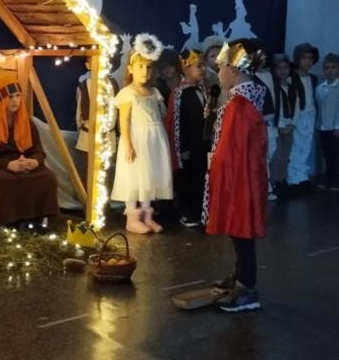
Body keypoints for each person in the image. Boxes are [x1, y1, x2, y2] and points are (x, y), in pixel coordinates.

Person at [203, 39, 268, 313]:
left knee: (242, 229)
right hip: (243, 174)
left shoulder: (240, 105)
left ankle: (247, 287)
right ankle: (241, 274)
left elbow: (233, 149)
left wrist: (219, 176)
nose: (218, 73)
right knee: (238, 228)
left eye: (220, 67)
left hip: (240, 177)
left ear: (233, 69)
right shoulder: (243, 100)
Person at [112, 33, 173, 234]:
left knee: (150, 177)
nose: (145, 71)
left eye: (149, 67)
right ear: (130, 68)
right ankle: (132, 218)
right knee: (134, 177)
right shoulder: (128, 93)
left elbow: (161, 115)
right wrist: (128, 145)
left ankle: (147, 216)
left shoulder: (155, 93)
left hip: (154, 141)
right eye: (140, 67)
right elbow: (124, 121)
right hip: (137, 141)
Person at [0, 75, 59, 226]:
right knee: (4, 182)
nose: (15, 100)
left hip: (23, 163)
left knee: (48, 177)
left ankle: (38, 218)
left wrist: (34, 162)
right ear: (0, 99)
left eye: (18, 96)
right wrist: (8, 165)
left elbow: (38, 150)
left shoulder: (26, 121)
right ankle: (11, 222)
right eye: (10, 96)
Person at [172, 49, 208, 227]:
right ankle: (188, 213)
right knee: (188, 179)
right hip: (188, 146)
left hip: (202, 143)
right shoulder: (180, 92)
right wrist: (182, 148)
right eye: (199, 66)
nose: (203, 69)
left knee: (201, 177)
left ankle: (201, 211)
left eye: (203, 66)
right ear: (186, 69)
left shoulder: (202, 89)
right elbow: (178, 122)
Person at [75, 59, 120, 186]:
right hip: (88, 136)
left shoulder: (113, 84)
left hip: (109, 136)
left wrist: (119, 133)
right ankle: (86, 197)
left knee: (106, 172)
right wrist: (80, 128)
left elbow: (118, 110)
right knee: (89, 172)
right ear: (88, 65)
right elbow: (79, 112)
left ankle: (105, 199)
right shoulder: (83, 86)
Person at [314, 53, 339, 190]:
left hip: (337, 128)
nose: (329, 71)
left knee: (337, 155)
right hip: (323, 126)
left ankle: (337, 179)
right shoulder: (320, 87)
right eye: (326, 68)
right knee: (327, 154)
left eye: (333, 67)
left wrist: (338, 126)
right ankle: (328, 176)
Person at [287, 42, 319, 189]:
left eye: (310, 58)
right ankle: (293, 178)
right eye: (304, 58)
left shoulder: (312, 78)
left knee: (306, 145)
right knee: (296, 145)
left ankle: (302, 176)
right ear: (297, 58)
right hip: (297, 115)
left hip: (310, 114)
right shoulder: (292, 76)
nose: (307, 61)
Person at [268, 54, 298, 196]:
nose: (282, 71)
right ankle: (275, 183)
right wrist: (279, 126)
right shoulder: (274, 88)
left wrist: (292, 124)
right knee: (277, 157)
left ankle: (283, 180)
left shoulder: (292, 87)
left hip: (289, 126)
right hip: (277, 127)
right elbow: (276, 108)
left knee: (286, 157)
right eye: (279, 68)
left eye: (285, 67)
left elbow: (297, 107)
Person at [254, 55, 278, 201]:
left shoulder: (268, 76)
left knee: (265, 157)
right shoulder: (247, 79)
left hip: (265, 125)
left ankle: (266, 186)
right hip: (253, 126)